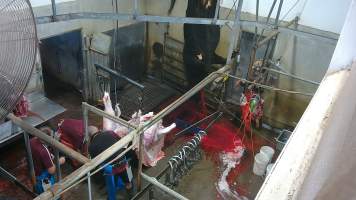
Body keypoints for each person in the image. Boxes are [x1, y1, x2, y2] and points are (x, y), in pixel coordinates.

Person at [88, 130, 134, 199]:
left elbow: (95, 162)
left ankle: (112, 195)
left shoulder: (91, 147)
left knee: (112, 183)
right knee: (129, 179)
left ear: (90, 137)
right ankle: (131, 194)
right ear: (98, 130)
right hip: (123, 160)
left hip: (111, 168)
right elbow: (121, 141)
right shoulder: (110, 133)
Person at [30, 127, 65, 194]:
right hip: (43, 177)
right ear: (47, 139)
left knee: (37, 190)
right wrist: (60, 161)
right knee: (48, 194)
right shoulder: (44, 151)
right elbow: (51, 171)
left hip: (34, 173)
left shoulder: (32, 140)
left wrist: (49, 154)